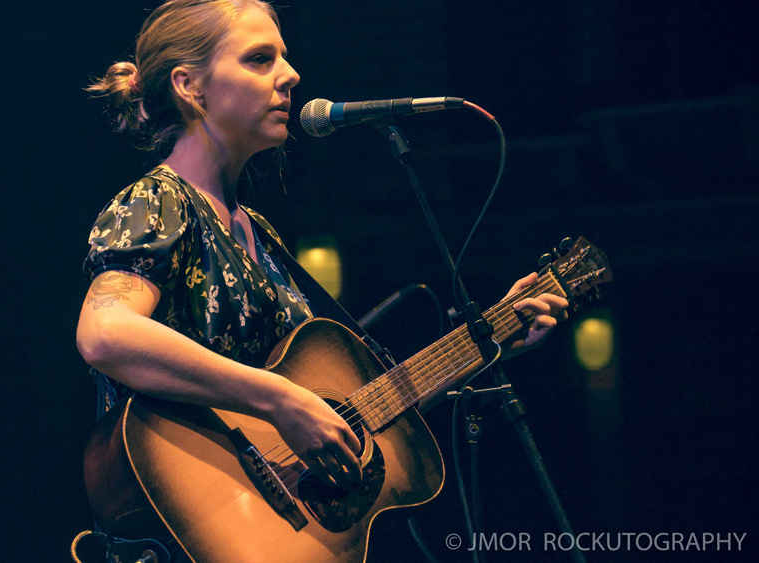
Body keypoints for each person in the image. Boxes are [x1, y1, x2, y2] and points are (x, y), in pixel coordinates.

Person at [76, 0, 567, 546]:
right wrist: (282, 400)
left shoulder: (259, 233)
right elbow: (105, 333)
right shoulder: (158, 201)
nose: (291, 75)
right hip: (191, 527)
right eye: (260, 59)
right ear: (191, 86)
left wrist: (490, 341)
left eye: (283, 57)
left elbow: (348, 413)